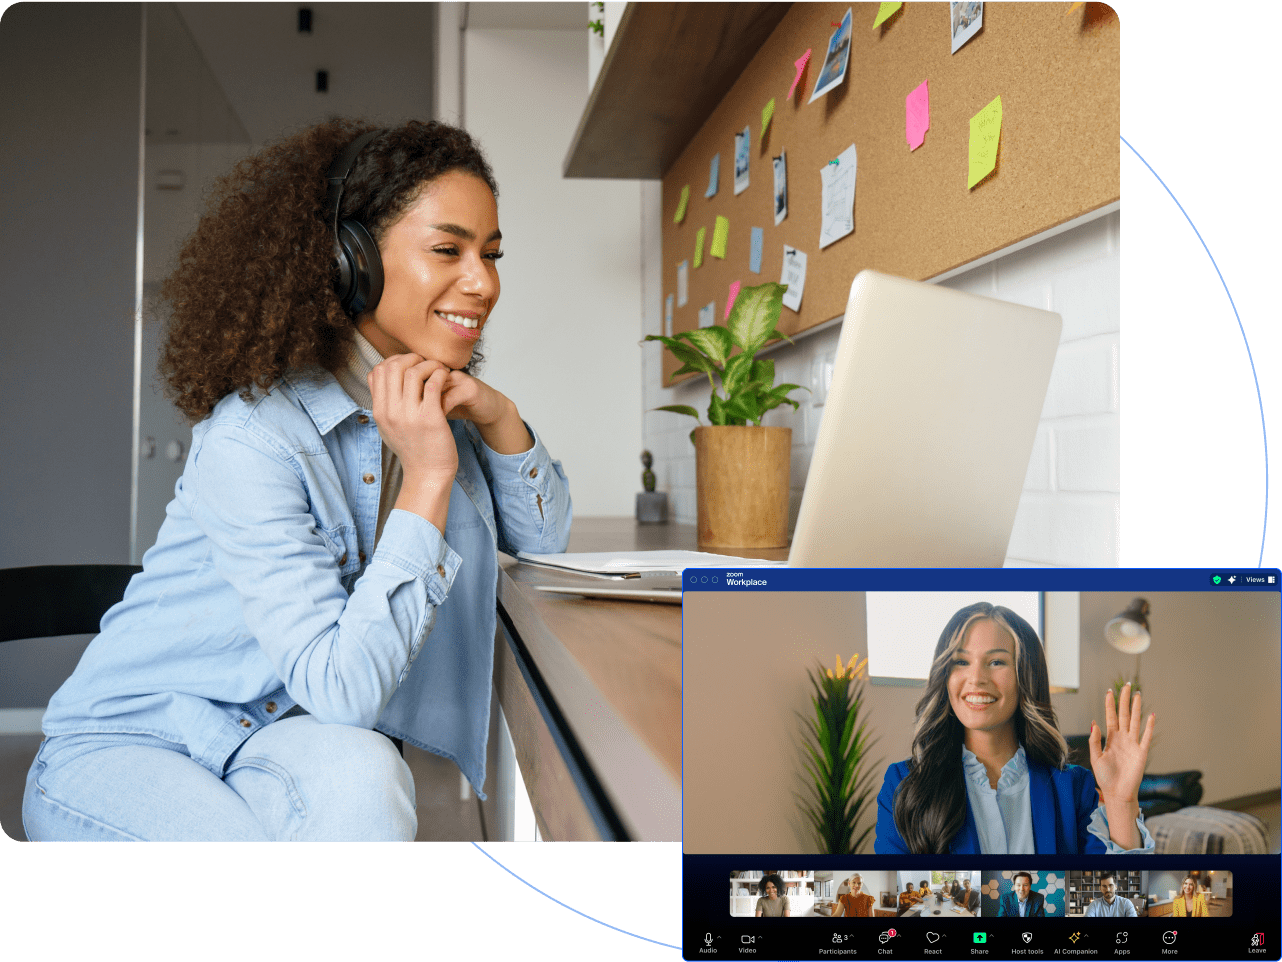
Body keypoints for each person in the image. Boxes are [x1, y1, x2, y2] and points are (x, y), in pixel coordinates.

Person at [22, 119, 572, 842]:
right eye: (449, 249)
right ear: (352, 260)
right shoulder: (253, 437)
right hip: (134, 740)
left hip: (276, 736)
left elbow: (543, 539)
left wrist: (501, 418)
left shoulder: (433, 407)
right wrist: (430, 475)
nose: (484, 283)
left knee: (369, 781)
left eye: (491, 254)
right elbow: (343, 687)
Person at [875, 602, 1157, 854]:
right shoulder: (904, 787)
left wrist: (1121, 801)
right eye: (960, 661)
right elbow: (908, 902)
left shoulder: (1073, 789)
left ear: (1026, 675)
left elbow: (1113, 898)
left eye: (996, 661)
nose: (976, 678)